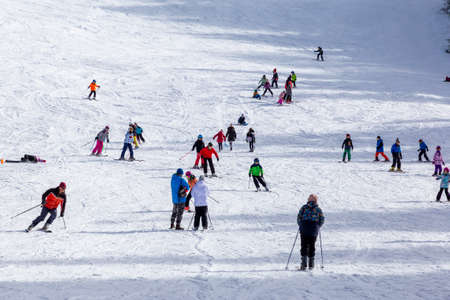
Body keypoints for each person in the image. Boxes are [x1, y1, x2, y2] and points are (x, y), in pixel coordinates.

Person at [297, 194, 325, 270]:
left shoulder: (304, 207)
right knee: (312, 246)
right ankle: (311, 264)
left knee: (304, 245)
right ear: (316, 201)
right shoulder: (318, 209)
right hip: (313, 229)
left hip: (304, 228)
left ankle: (303, 264)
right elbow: (322, 219)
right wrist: (318, 226)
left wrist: (301, 225)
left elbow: (299, 217)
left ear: (308, 200)